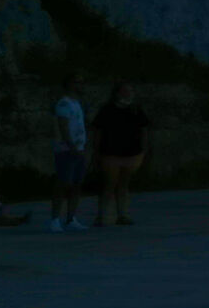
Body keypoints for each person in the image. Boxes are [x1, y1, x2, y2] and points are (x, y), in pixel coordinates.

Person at [87, 83, 151, 226]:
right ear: (117, 93)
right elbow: (98, 131)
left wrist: (144, 149)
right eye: (125, 91)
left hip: (131, 153)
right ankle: (102, 216)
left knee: (124, 184)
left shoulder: (136, 109)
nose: (128, 94)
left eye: (130, 91)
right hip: (111, 153)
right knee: (109, 184)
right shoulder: (107, 110)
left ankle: (122, 215)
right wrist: (96, 151)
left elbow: (144, 130)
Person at [50, 82, 90, 232]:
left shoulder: (77, 103)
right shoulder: (64, 104)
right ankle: (55, 219)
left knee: (77, 184)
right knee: (63, 184)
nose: (82, 85)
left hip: (79, 148)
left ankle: (71, 218)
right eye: (78, 81)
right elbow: (63, 126)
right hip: (66, 149)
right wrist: (71, 146)